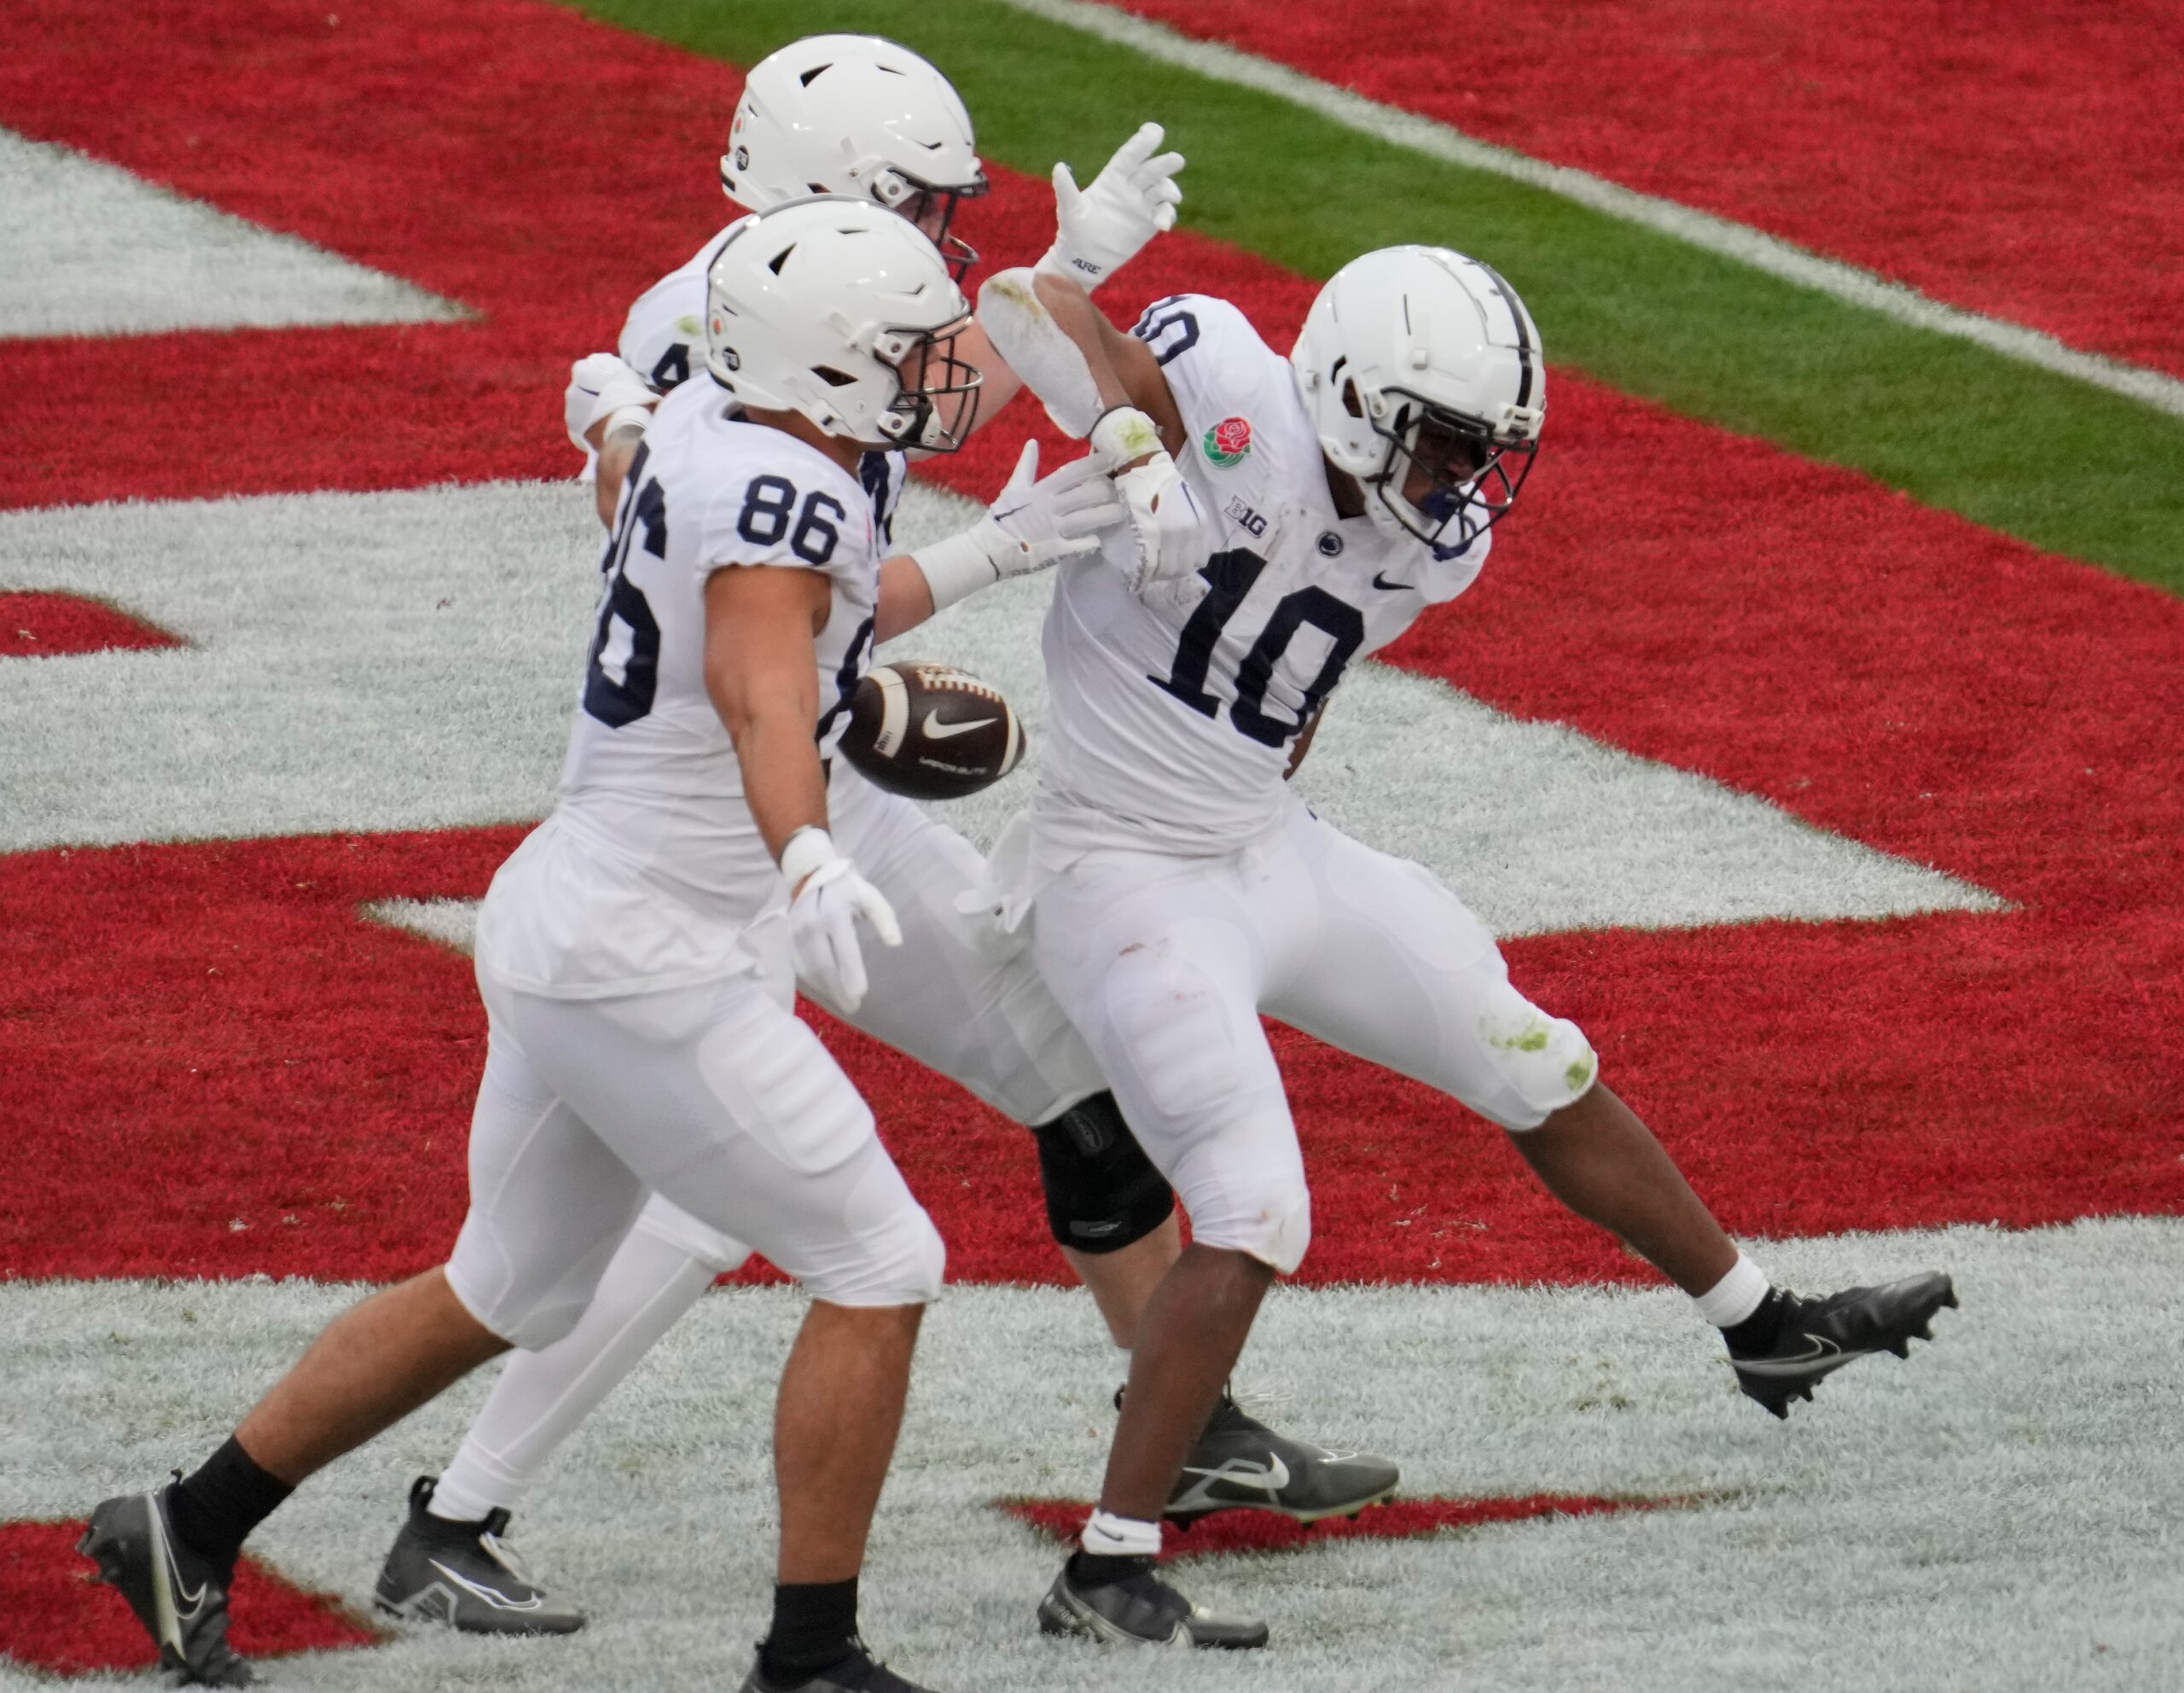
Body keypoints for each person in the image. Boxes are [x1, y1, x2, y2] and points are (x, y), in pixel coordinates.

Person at [372, 32, 1395, 1638]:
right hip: (741, 818)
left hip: (800, 786)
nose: (946, 235)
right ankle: (458, 1512)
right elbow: (693, 548)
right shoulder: (704, 322)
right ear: (842, 195)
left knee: (1062, 1065)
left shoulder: (819, 297)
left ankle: (1181, 1437)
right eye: (923, 203)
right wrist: (640, 454)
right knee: (682, 1216)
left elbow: (923, 409)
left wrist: (1059, 285)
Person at [79, 198, 1083, 1693]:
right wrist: (808, 840)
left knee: (513, 1288)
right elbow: (757, 681)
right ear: (826, 366)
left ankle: (187, 1524)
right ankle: (811, 1659)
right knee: (880, 1259)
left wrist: (1063, 295)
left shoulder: (727, 424)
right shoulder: (781, 499)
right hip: (648, 943)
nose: (941, 371)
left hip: (575, 906)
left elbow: (646, 480)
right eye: (908, 348)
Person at [970, 246, 1960, 1649]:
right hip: (1121, 872)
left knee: (1530, 1055)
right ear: (1354, 400)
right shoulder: (1232, 393)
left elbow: (1293, 682)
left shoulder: (1438, 544)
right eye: (1444, 445)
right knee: (1256, 1208)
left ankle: (1761, 1322)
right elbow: (1035, 312)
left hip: (1264, 844)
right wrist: (1131, 439)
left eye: (1488, 453)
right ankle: (1106, 1565)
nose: (1463, 483)